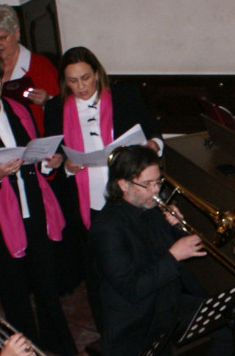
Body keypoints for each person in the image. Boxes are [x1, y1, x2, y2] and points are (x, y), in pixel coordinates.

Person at [89, 146, 235, 356]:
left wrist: (177, 231)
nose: (157, 191)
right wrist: (172, 253)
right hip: (134, 321)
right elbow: (133, 288)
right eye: (149, 184)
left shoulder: (152, 210)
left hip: (168, 304)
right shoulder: (106, 228)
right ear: (124, 184)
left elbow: (178, 263)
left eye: (159, 182)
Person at [0, 50, 76, 356]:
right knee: (13, 290)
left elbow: (34, 156)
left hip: (32, 207)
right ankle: (26, 354)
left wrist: (50, 162)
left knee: (45, 283)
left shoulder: (19, 110)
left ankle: (56, 343)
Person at [44, 45, 163, 321]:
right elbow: (53, 156)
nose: (81, 86)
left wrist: (152, 145)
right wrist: (64, 164)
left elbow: (155, 133)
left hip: (128, 197)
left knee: (138, 259)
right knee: (97, 269)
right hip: (88, 202)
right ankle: (107, 324)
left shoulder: (124, 96)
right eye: (72, 81)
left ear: (97, 73)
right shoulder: (55, 108)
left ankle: (146, 317)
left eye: (85, 77)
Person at [0, 4, 58, 133]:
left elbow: (64, 110)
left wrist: (47, 101)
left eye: (2, 38)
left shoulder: (40, 66)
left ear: (16, 34)